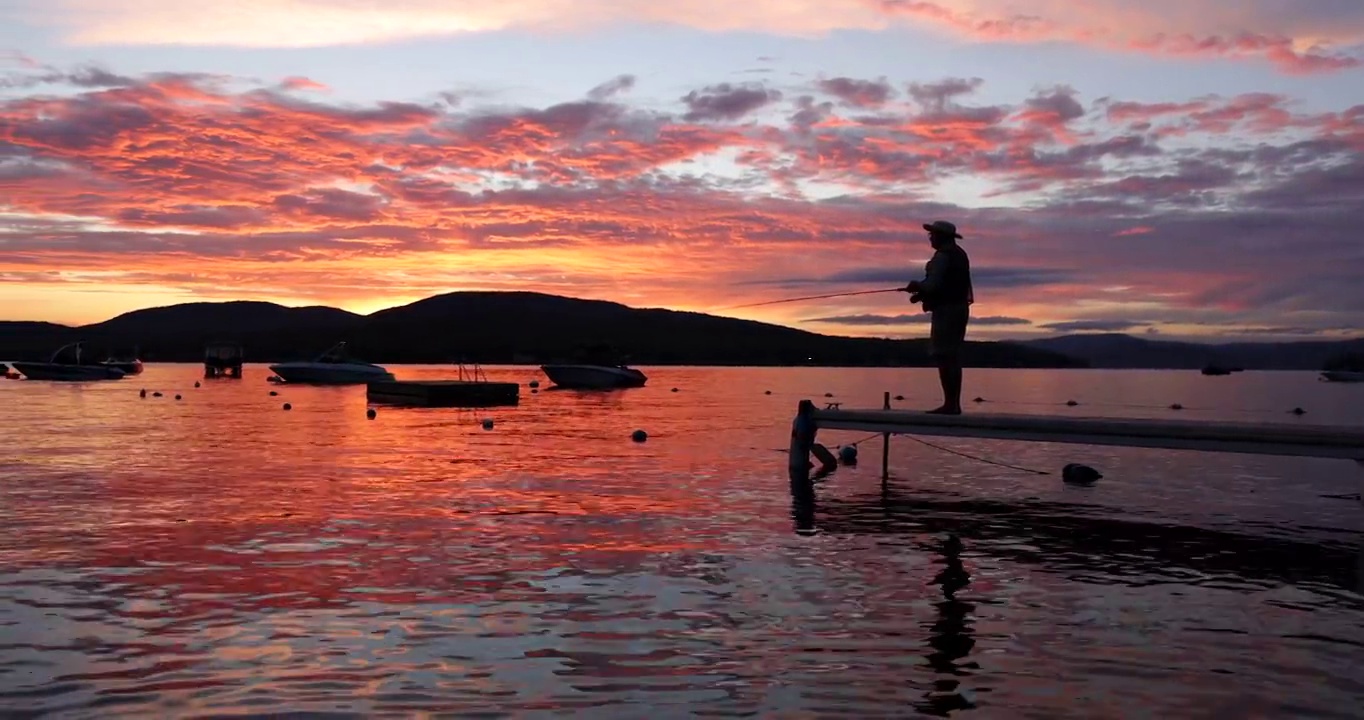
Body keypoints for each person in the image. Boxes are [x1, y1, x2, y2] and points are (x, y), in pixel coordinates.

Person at [905, 220, 973, 415]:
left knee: (944, 355)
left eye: (932, 235)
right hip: (957, 309)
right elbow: (945, 284)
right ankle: (953, 403)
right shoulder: (959, 255)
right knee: (951, 356)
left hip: (948, 311)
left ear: (941, 236)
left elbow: (933, 284)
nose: (930, 238)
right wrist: (921, 294)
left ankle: (950, 405)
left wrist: (917, 286)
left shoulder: (944, 256)